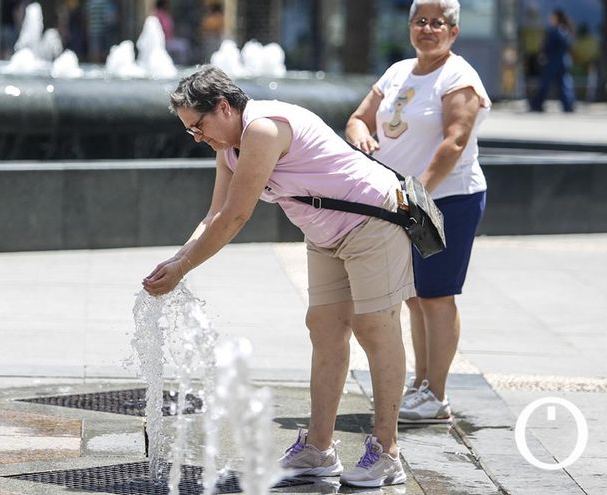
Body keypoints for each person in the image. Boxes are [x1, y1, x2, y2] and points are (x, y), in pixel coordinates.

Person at [143, 65, 413, 488]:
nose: (198, 137)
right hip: (326, 232)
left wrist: (182, 269)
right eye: (190, 131)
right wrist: (175, 261)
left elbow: (235, 216)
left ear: (223, 106)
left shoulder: (263, 130)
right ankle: (319, 450)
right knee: (324, 328)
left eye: (199, 126)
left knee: (374, 327)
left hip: (372, 219)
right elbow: (214, 214)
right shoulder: (228, 147)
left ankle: (388, 451)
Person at [346, 0, 489, 424]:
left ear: (454, 31)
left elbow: (455, 142)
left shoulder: (459, 76)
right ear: (410, 26)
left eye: (438, 22)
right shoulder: (397, 72)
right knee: (414, 297)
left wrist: (417, 194)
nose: (428, 29)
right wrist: (360, 138)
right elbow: (358, 119)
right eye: (420, 21)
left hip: (447, 200)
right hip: (402, 201)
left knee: (438, 296)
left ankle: (437, 395)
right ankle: (421, 384)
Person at [529, 8, 575, 112]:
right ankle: (569, 105)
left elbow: (546, 47)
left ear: (556, 18)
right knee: (564, 85)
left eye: (552, 17)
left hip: (553, 63)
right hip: (563, 62)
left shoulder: (554, 31)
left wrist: (543, 51)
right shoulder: (565, 31)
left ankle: (537, 104)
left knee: (544, 84)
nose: (549, 19)